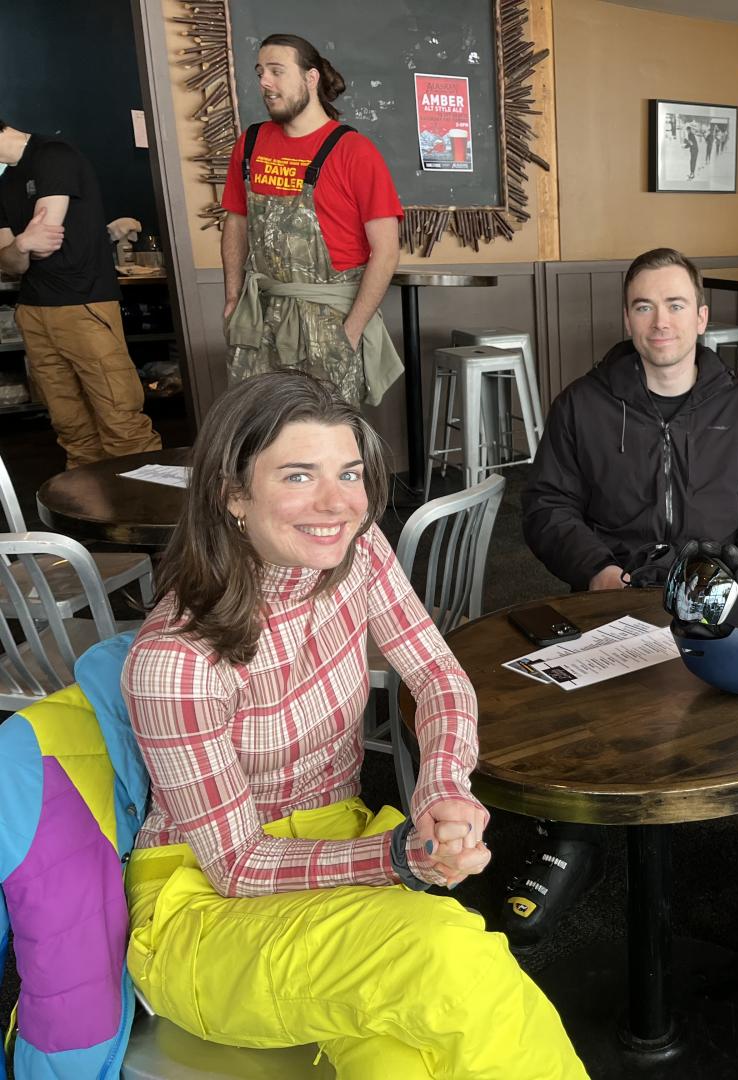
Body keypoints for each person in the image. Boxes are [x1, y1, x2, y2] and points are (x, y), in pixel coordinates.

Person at [121, 371, 586, 1077]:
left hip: (333, 852)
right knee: (446, 957)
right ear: (232, 494)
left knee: (408, 1058)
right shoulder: (175, 662)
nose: (337, 503)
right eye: (299, 475)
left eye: (348, 473)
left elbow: (439, 676)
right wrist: (400, 857)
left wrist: (443, 786)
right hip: (209, 910)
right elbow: (238, 865)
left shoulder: (358, 554)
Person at [514, 247, 738, 945]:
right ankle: (572, 835)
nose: (660, 322)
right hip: (616, 593)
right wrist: (597, 571)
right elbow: (547, 505)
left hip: (721, 593)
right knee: (574, 715)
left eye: (675, 305)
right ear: (627, 318)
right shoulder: (583, 404)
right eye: (644, 306)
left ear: (701, 317)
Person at [221, 34, 404, 407]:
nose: (264, 82)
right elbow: (236, 222)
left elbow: (386, 251)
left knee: (324, 429)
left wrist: (351, 330)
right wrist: (232, 297)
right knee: (258, 424)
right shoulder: (250, 143)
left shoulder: (354, 151)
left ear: (311, 78)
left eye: (276, 71)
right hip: (260, 316)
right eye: (260, 72)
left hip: (329, 321)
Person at [0, 118, 161, 467]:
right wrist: (22, 244)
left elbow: (44, 244)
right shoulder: (6, 182)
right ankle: (90, 500)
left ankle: (145, 499)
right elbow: (12, 263)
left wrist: (23, 245)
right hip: (33, 310)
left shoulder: (52, 155)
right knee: (71, 427)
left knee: (121, 420)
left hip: (82, 304)